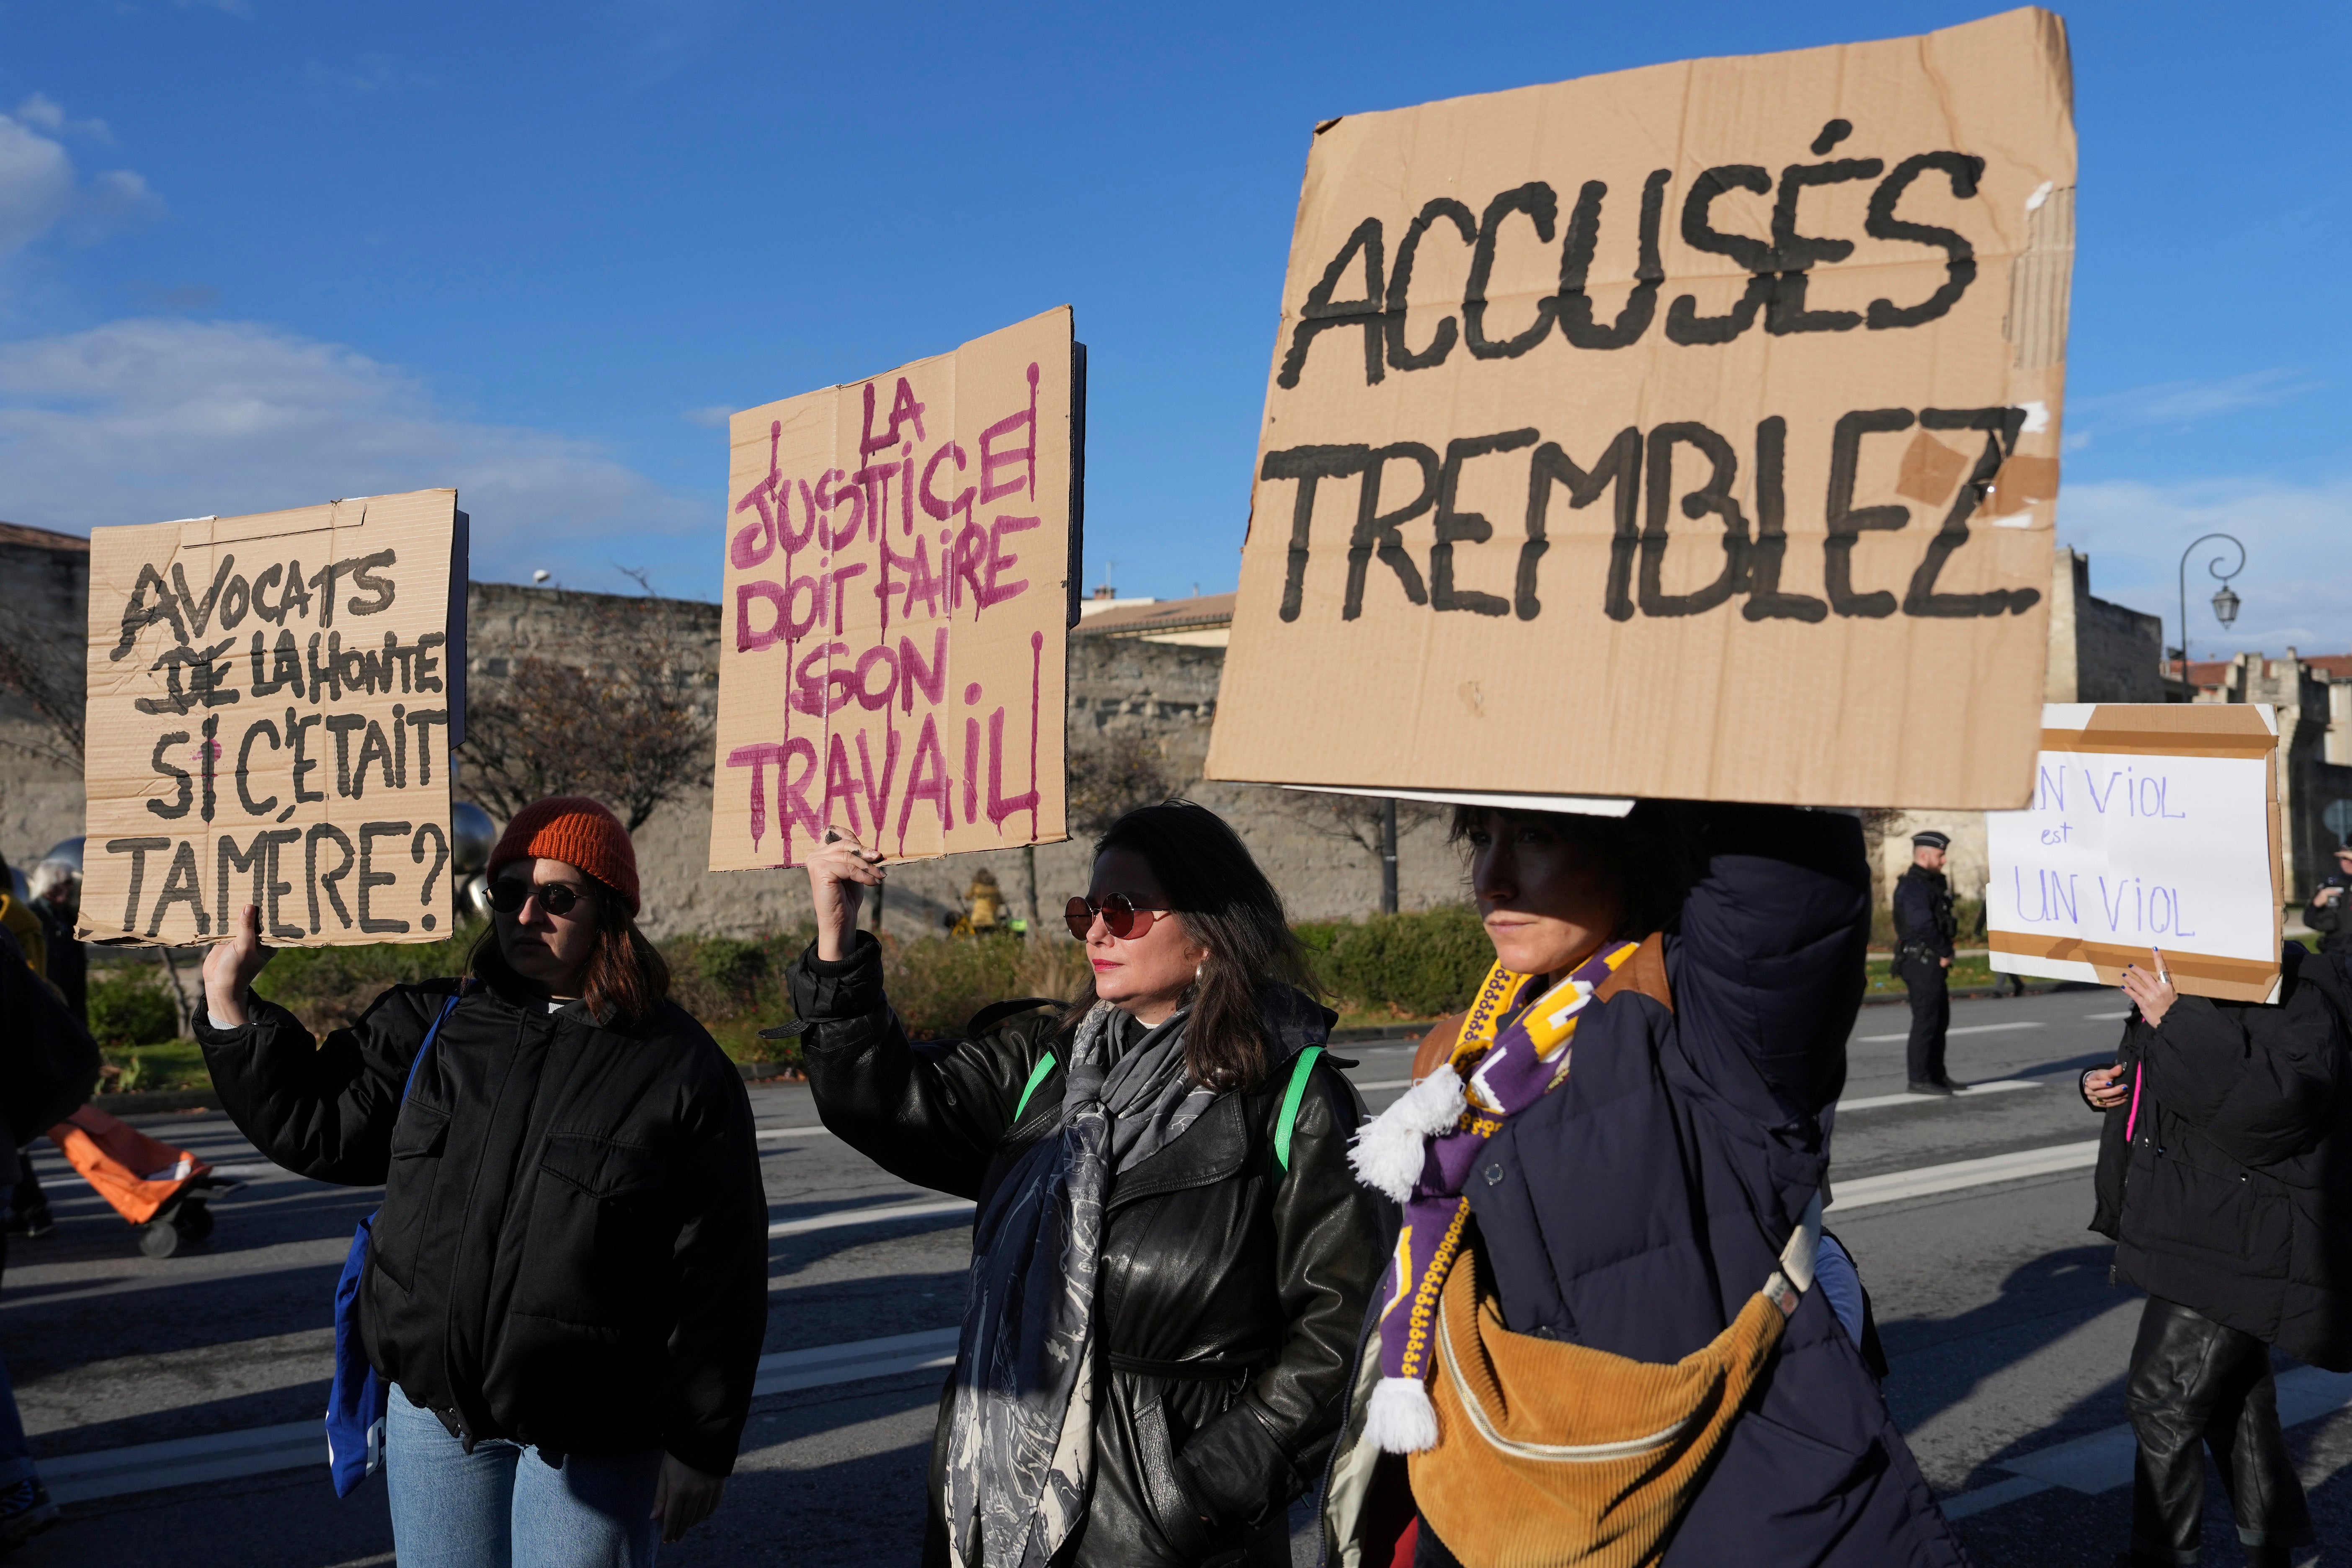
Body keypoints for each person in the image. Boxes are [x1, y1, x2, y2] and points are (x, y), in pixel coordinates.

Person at [1321, 802, 1964, 1568]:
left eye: (1534, 837)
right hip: (1500, 1504)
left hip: (1707, 1508)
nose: (1492, 880)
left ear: (1633, 849)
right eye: (1481, 839)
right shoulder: (1472, 1046)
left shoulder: (1705, 1025)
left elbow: (1784, 891)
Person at [790, 800, 1385, 1567]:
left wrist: (1195, 1496)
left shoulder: (1290, 1093)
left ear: (1207, 928)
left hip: (1168, 1535)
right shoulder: (1048, 1062)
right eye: (1086, 910)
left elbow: (1343, 1330)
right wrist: (837, 939)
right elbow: (877, 1096)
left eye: (1124, 910)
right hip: (994, 1510)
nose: (1096, 930)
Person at [197, 796, 768, 1566]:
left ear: (611, 909)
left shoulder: (678, 1064)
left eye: (557, 896)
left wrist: (704, 1443)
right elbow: (319, 1127)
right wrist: (232, 1003)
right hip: (436, 1419)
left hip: (593, 1434)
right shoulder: (433, 1022)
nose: (527, 912)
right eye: (508, 892)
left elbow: (721, 1274)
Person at [2080, 942, 2350, 1568]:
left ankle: (2161, 1558)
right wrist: (2104, 1086)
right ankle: (2277, 1551)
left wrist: (2177, 1019)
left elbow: (2275, 1107)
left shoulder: (2294, 990)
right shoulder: (2195, 973)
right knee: (2236, 1401)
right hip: (2205, 1217)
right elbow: (2173, 1078)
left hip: (2244, 1228)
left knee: (2162, 1397)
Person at [1893, 829, 1965, 1093]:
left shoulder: (1929, 883)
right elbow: (1922, 925)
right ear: (1924, 855)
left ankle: (1937, 1074)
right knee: (1926, 1020)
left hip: (1930, 960)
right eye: (1940, 855)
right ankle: (1920, 1078)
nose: (1944, 860)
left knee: (1939, 1019)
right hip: (1920, 960)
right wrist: (1945, 951)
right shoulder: (1913, 885)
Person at [26, 860, 84, 1025]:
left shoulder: (69, 916)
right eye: (67, 883)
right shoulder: (32, 914)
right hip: (43, 990)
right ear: (51, 885)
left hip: (70, 992)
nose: (72, 888)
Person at [2305, 837, 2352, 975]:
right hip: (2334, 952)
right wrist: (2316, 904)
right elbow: (2309, 920)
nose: (2349, 863)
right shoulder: (2330, 884)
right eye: (2345, 858)